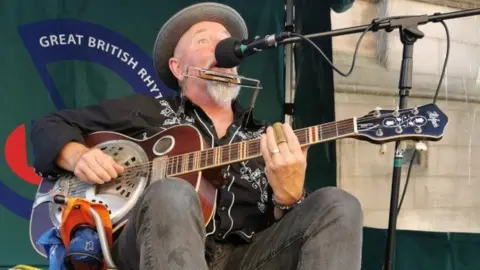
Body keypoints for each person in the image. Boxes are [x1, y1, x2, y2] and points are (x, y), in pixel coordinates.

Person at [30, 2, 363, 270]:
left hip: (249, 257)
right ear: (177, 68)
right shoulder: (145, 110)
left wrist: (288, 200)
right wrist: (79, 155)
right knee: (172, 193)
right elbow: (48, 125)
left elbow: (290, 233)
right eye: (205, 41)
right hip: (145, 249)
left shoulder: (265, 136)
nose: (222, 47)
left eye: (227, 43)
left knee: (337, 204)